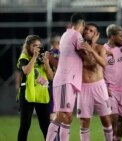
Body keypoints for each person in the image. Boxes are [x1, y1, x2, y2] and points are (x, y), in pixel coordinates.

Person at [46, 13, 85, 141]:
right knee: (62, 116)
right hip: (65, 80)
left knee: (66, 117)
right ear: (82, 24)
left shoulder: (65, 35)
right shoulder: (76, 35)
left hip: (68, 80)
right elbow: (85, 53)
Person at [76, 23, 113, 141]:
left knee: (106, 119)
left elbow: (103, 64)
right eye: (86, 29)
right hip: (83, 87)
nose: (87, 31)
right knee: (84, 122)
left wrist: (91, 49)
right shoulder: (77, 49)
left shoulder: (100, 48)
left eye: (91, 31)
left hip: (99, 86)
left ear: (96, 35)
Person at [17, 35, 54, 141]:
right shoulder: (24, 57)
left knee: (46, 126)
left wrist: (46, 63)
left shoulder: (43, 58)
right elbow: (26, 71)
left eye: (39, 45)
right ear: (28, 47)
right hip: (27, 94)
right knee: (25, 125)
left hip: (42, 94)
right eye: (34, 46)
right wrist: (34, 57)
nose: (37, 48)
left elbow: (51, 77)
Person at [103, 24, 122, 141]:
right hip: (111, 91)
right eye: (120, 35)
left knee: (121, 121)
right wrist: (105, 87)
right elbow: (98, 70)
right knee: (113, 119)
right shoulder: (102, 50)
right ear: (112, 36)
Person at [48, 33, 61, 120]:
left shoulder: (46, 54)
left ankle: (53, 132)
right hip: (60, 84)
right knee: (60, 111)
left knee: (52, 110)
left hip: (49, 84)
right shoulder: (61, 53)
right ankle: (58, 133)